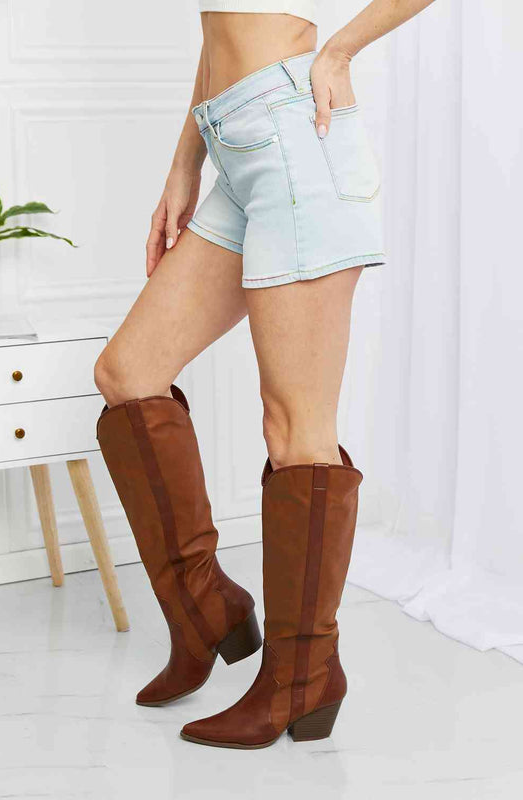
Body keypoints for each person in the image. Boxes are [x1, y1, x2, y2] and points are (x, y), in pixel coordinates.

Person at [94, 0, 435, 749]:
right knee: (127, 372)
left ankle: (302, 676)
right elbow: (219, 31)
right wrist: (184, 164)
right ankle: (203, 610)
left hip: (297, 140)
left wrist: (340, 50)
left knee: (295, 430)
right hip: (236, 146)